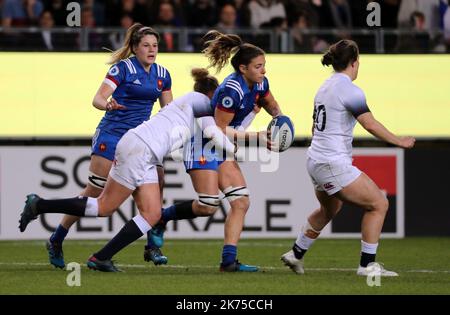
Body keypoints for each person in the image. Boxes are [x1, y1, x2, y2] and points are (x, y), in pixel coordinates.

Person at [19, 68, 237, 272]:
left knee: (152, 214)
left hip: (144, 150)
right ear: (213, 94)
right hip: (140, 149)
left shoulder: (190, 103)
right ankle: (39, 205)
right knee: (104, 207)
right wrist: (234, 147)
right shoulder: (202, 101)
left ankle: (101, 257)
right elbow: (214, 133)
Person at [148, 30, 283, 272]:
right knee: (208, 205)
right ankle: (161, 217)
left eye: (264, 65)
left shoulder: (260, 83)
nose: (264, 71)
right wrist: (259, 137)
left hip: (221, 145)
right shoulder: (232, 90)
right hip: (203, 143)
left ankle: (228, 262)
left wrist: (281, 119)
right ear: (243, 68)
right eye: (258, 66)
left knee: (241, 202)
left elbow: (271, 104)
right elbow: (219, 130)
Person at [280, 39, 415, 276]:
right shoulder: (348, 89)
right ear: (354, 62)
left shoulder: (324, 86)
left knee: (329, 209)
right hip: (332, 162)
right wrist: (398, 141)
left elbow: (315, 127)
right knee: (379, 204)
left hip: (315, 160)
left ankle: (296, 253)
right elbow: (369, 123)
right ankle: (367, 266)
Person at [43, 23, 173, 269]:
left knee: (157, 183)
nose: (151, 49)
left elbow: (167, 111)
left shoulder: (163, 74)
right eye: (146, 45)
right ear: (135, 48)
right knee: (94, 192)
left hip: (140, 142)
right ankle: (57, 238)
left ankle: (152, 245)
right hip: (112, 136)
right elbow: (98, 98)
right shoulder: (122, 68)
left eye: (155, 45)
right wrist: (108, 104)